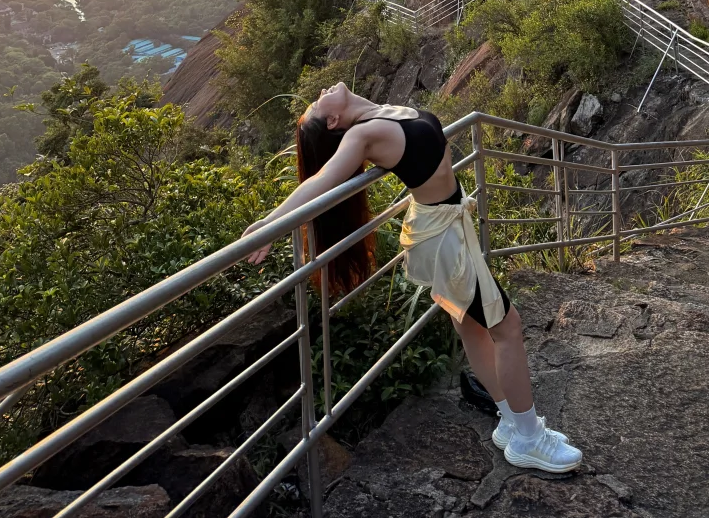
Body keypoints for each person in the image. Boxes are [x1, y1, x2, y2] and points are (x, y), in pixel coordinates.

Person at [241, 82, 582, 473]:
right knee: (507, 327)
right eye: (319, 104)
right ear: (333, 119)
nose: (320, 91)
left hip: (446, 228)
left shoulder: (377, 113)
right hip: (442, 237)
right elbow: (321, 181)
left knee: (472, 325)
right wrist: (270, 222)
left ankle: (510, 421)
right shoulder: (362, 134)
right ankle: (529, 439)